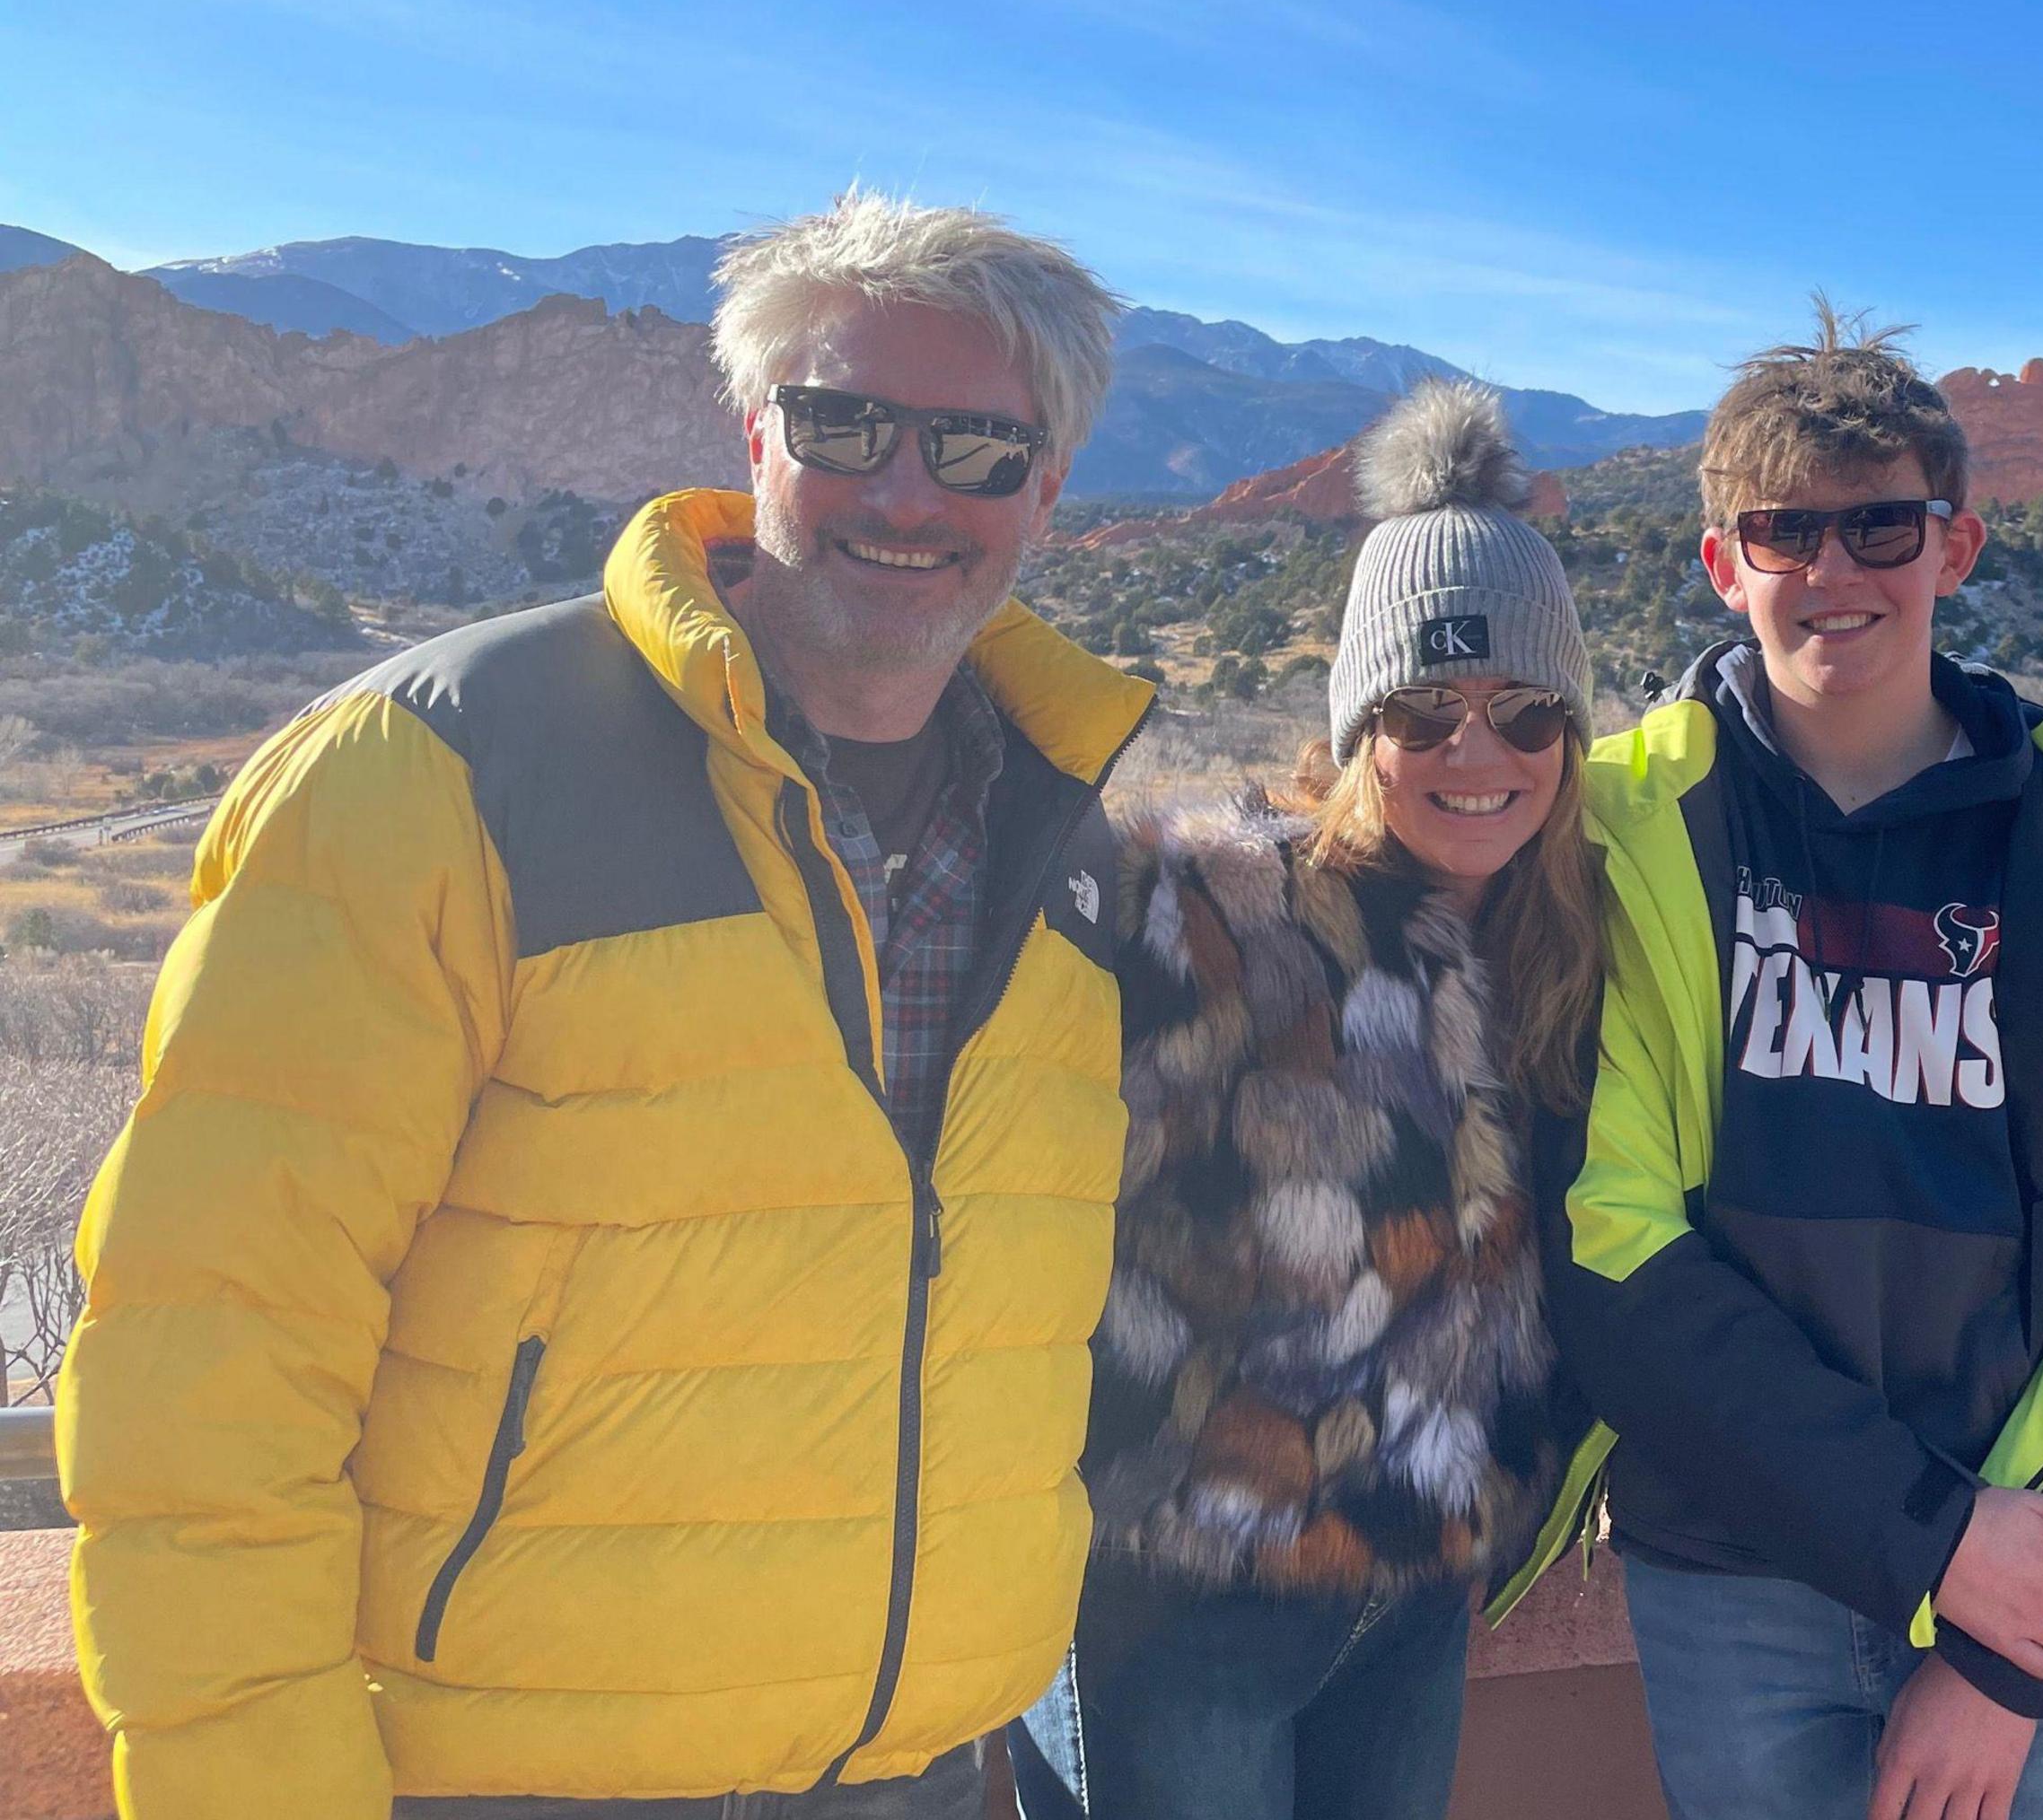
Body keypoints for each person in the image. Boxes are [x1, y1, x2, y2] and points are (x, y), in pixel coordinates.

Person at [59, 191, 1146, 1817]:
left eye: (978, 448)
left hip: (917, 1772)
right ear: (752, 431)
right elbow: (206, 1360)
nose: (907, 492)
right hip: (513, 1774)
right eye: (845, 423)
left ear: (1047, 489)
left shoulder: (1067, 843)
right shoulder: (437, 773)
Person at [1515, 307, 2043, 1820]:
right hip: (1740, 1572)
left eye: (1880, 526)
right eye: (1786, 531)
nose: (1835, 572)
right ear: (1725, 563)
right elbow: (1609, 1246)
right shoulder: (1619, 828)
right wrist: (1930, 1535)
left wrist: (2002, 1652)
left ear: (1958, 545)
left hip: (2034, 1564)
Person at [1006, 379, 1600, 1820]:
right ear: (1353, 723)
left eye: (1526, 710)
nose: (1479, 751)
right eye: (1424, 709)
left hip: (1410, 1604)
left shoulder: (1568, 949)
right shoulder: (1203, 916)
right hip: (1173, 1608)